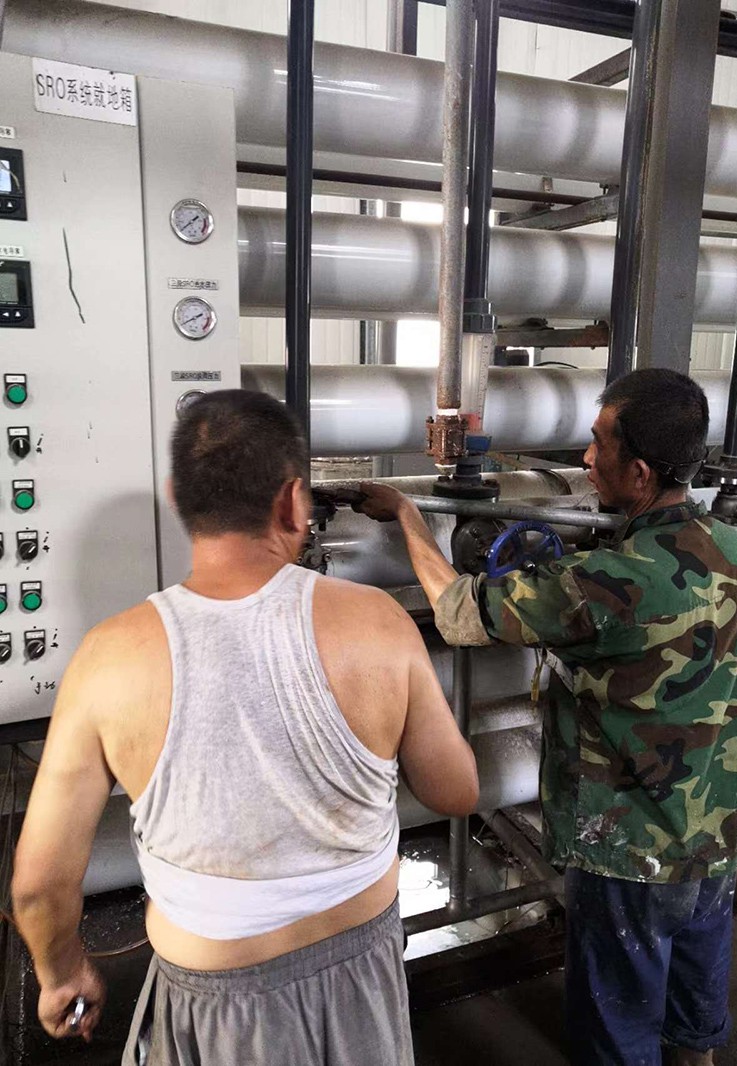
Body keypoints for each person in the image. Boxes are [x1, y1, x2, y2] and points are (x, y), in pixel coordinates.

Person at [12, 389, 479, 1065]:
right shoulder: (379, 621)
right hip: (364, 978)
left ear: (177, 499)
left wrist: (62, 974)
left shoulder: (107, 658)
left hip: (217, 1007)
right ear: (293, 503)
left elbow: (39, 885)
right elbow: (456, 792)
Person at [356, 368, 737, 1066]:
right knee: (692, 1011)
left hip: (631, 850)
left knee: (619, 1028)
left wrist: (406, 513)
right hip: (718, 831)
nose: (584, 458)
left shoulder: (606, 583)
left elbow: (458, 612)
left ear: (639, 473)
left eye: (598, 443)